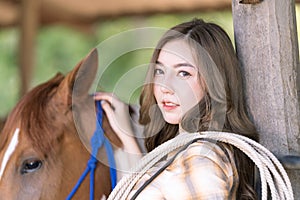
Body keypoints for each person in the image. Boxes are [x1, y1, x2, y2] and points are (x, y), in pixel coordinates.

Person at [95, 18, 258, 199]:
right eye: (160, 71)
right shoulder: (187, 151)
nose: (165, 86)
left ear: (214, 82)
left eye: (183, 73)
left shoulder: (201, 158)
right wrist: (128, 140)